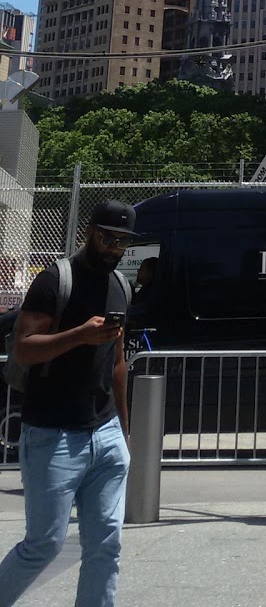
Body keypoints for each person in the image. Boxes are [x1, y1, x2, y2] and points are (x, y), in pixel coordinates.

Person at [0, 199, 136, 607]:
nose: (114, 248)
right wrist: (78, 335)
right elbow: (23, 348)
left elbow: (117, 362)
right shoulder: (54, 280)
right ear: (90, 233)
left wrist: (125, 431)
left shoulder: (122, 286)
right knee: (44, 544)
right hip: (53, 434)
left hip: (106, 432)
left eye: (123, 242)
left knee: (106, 545)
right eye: (107, 238)